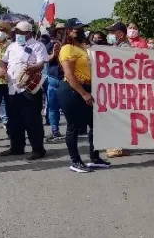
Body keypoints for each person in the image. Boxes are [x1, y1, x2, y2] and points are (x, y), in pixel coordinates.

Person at [57, 18, 111, 173]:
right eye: (77, 29)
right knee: (73, 126)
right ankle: (75, 161)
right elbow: (69, 74)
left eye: (82, 29)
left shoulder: (80, 47)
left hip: (87, 87)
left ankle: (94, 158)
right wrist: (84, 94)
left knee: (94, 124)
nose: (81, 32)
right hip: (72, 90)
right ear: (69, 31)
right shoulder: (67, 48)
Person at [0, 20, 47, 160]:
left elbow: (41, 63)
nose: (17, 34)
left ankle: (38, 149)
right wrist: (1, 68)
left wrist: (33, 68)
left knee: (32, 120)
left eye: (20, 32)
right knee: (14, 119)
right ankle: (16, 147)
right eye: (16, 32)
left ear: (29, 33)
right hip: (12, 87)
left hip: (28, 87)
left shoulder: (37, 45)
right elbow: (4, 61)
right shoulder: (11, 46)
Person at [104, 21, 135, 158]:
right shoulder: (117, 46)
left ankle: (121, 147)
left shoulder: (125, 48)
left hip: (124, 88)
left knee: (121, 118)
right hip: (118, 87)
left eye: (112, 32)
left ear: (120, 34)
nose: (110, 35)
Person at [43, 26, 64, 141]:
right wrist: (55, 54)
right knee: (53, 106)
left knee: (68, 106)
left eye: (63, 31)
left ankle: (74, 129)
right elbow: (46, 59)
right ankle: (55, 130)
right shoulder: (50, 45)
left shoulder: (70, 44)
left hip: (67, 79)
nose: (61, 33)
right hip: (53, 78)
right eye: (59, 31)